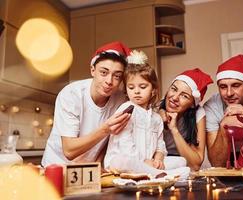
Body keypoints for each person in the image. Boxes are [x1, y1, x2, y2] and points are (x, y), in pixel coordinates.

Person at [42, 41, 132, 167]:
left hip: (90, 171)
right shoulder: (71, 95)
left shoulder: (121, 101)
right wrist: (105, 130)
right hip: (57, 167)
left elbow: (110, 143)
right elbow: (69, 150)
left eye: (117, 76)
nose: (109, 81)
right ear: (92, 70)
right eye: (104, 73)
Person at [104, 50, 189, 178]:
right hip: (126, 160)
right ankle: (162, 175)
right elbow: (125, 143)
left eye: (142, 87)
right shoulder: (127, 108)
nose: (136, 91)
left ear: (153, 90)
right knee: (123, 162)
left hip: (148, 162)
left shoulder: (156, 118)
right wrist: (142, 161)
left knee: (181, 161)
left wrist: (159, 158)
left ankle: (154, 172)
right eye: (131, 87)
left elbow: (160, 145)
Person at [160, 68, 213, 171]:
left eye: (184, 96)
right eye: (174, 89)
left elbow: (195, 165)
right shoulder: (154, 109)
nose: (174, 98)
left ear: (192, 105)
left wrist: (174, 130)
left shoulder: (198, 113)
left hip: (183, 164)